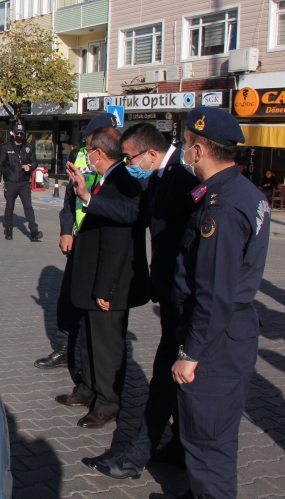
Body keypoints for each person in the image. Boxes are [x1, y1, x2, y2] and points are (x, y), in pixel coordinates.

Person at [149, 108, 270, 499]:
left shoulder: (220, 207)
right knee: (214, 431)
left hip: (215, 338)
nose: (182, 150)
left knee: (207, 439)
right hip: (231, 332)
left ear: (199, 150)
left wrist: (191, 353)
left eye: (185, 143)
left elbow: (214, 292)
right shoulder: (241, 191)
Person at [73, 123, 200, 478]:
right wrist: (87, 197)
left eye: (130, 158)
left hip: (184, 292)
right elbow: (135, 213)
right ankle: (177, 443)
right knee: (168, 377)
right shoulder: (158, 176)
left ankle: (144, 453)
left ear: (151, 153)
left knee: (167, 377)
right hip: (170, 290)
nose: (128, 163)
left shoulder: (182, 178)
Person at [55, 126, 149, 429]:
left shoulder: (123, 181)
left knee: (106, 345)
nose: (86, 156)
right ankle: (88, 389)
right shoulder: (106, 178)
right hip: (91, 275)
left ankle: (107, 402)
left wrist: (105, 289)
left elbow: (117, 243)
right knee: (88, 337)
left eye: (88, 150)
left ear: (99, 152)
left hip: (110, 282)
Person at [35, 113, 116, 371]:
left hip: (105, 240)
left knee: (98, 301)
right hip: (80, 237)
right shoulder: (81, 156)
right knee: (68, 297)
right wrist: (66, 230)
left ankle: (93, 358)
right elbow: (70, 198)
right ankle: (64, 346)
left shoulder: (121, 160)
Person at [0, 123, 43, 242]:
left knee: (28, 207)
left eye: (21, 134)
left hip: (24, 182)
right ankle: (8, 229)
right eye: (17, 133)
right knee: (10, 206)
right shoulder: (6, 147)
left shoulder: (28, 147)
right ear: (13, 133)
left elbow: (34, 162)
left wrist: (29, 166)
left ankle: (34, 231)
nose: (19, 136)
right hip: (10, 182)